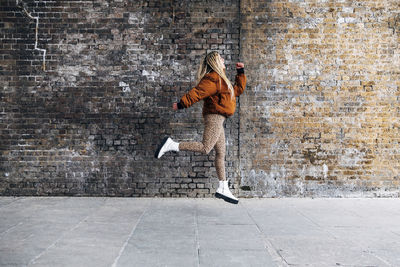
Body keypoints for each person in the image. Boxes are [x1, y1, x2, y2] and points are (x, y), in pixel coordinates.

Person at [155, 51, 246, 204]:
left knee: (221, 153)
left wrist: (240, 72)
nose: (223, 59)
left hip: (220, 118)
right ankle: (172, 145)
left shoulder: (222, 80)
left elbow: (237, 91)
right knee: (206, 148)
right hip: (215, 117)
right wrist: (181, 104)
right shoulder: (213, 78)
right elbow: (198, 92)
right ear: (215, 62)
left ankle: (223, 187)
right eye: (220, 58)